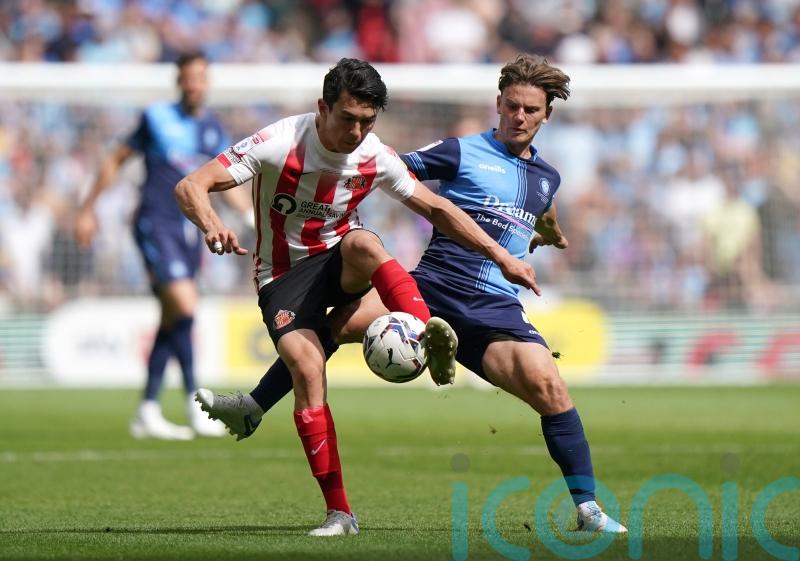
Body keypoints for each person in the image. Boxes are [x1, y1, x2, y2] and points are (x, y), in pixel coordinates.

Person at [195, 54, 627, 535]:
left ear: (547, 115)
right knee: (327, 331)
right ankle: (259, 405)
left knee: (550, 387)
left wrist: (552, 233)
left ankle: (588, 509)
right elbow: (398, 172)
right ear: (498, 104)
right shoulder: (460, 151)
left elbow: (542, 212)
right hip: (431, 286)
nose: (518, 117)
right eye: (511, 106)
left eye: (530, 110)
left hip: (494, 306)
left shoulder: (547, 178)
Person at [74, 52, 233, 440]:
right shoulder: (156, 118)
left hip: (190, 230)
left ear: (207, 82)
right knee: (185, 305)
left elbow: (229, 182)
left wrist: (248, 218)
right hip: (155, 222)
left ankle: (147, 408)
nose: (194, 84)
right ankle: (196, 403)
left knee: (173, 316)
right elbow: (115, 159)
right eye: (188, 77)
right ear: (179, 81)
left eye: (200, 77)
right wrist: (88, 209)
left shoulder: (213, 128)